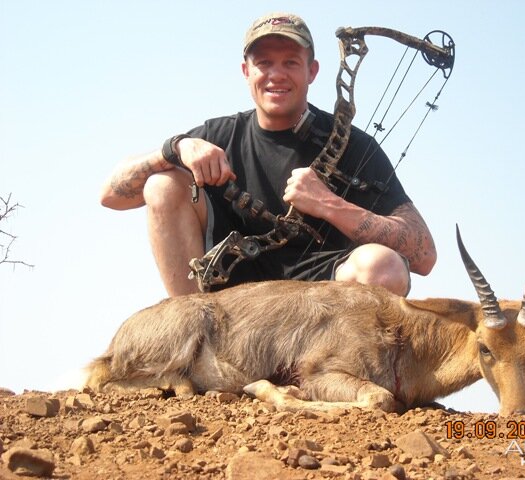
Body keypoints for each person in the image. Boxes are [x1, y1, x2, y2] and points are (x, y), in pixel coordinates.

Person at [100, 12, 436, 297]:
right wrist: (175, 148)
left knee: (383, 266)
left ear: (312, 71)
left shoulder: (354, 145)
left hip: (322, 308)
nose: (276, 74)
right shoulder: (219, 135)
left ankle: (334, 368)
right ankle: (193, 340)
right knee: (162, 184)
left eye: (291, 62)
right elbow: (111, 195)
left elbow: (424, 255)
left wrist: (327, 204)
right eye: (264, 63)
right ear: (247, 72)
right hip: (230, 303)